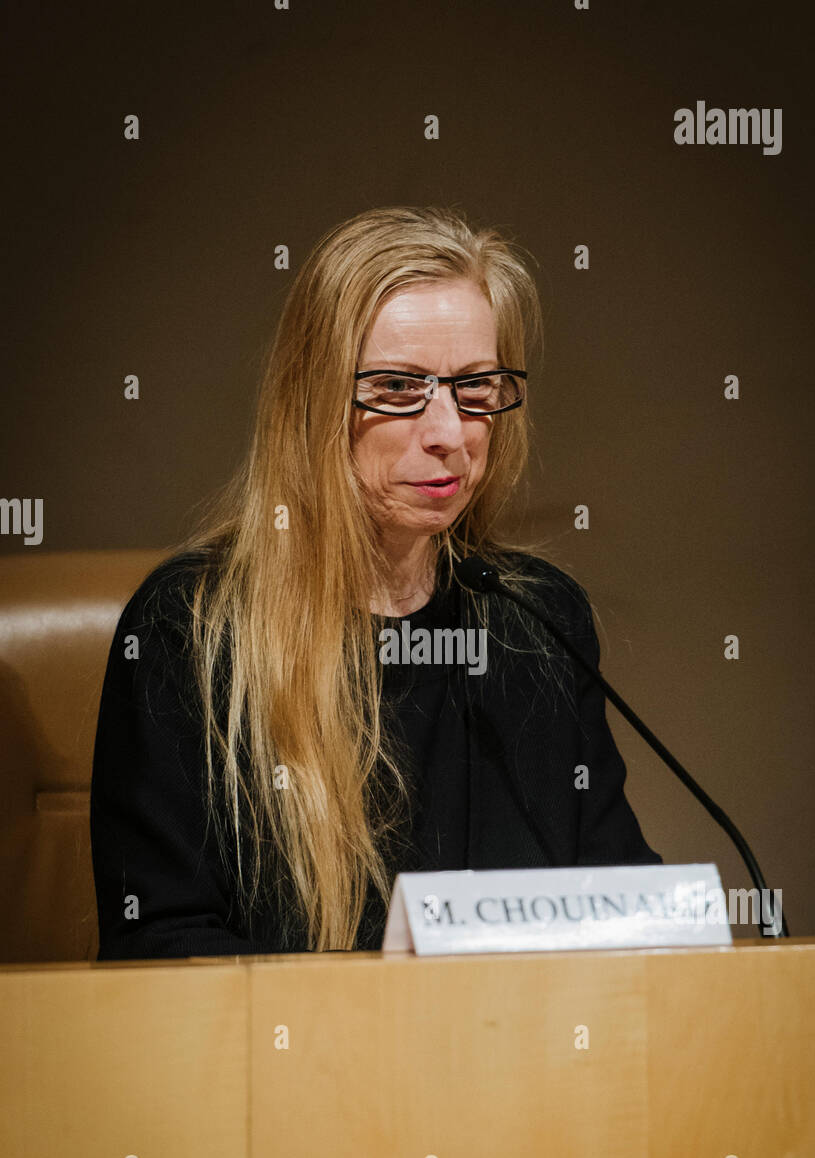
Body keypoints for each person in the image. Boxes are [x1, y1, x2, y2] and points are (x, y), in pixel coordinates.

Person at [92, 205, 661, 960]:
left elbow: (620, 907)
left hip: (523, 1068)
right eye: (397, 388)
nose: (450, 432)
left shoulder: (537, 621)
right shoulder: (188, 629)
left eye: (476, 387)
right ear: (312, 401)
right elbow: (159, 949)